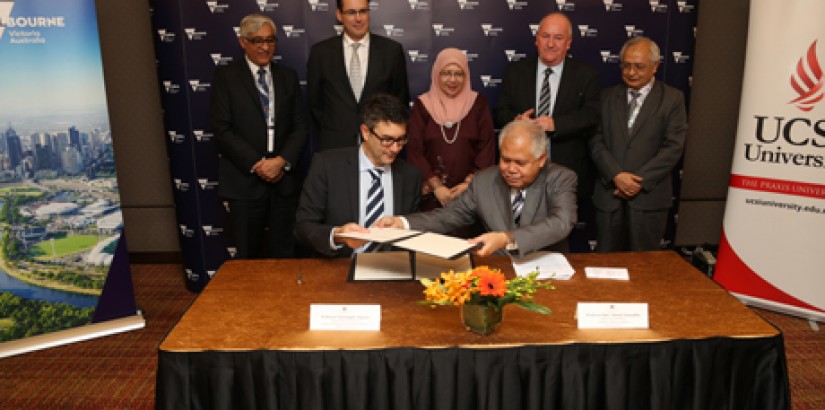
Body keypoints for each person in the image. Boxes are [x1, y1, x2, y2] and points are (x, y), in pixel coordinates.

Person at [376, 120, 577, 257]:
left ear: (541, 159)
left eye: (520, 163)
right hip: (497, 272)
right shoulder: (484, 180)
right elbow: (448, 216)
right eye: (505, 160)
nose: (511, 169)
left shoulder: (560, 178)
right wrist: (402, 222)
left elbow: (561, 223)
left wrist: (507, 238)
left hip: (547, 271)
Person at [211, 13, 307, 259]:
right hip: (244, 181)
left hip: (283, 181)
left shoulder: (288, 77)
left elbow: (300, 126)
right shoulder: (226, 78)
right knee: (247, 255)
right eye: (257, 41)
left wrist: (281, 161)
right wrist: (258, 164)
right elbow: (222, 129)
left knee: (284, 252)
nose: (265, 47)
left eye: (271, 40)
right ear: (243, 42)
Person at [493, 11, 599, 218]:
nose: (550, 44)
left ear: (568, 43)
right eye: (545, 36)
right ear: (536, 39)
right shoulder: (516, 71)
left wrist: (555, 124)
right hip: (522, 171)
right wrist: (517, 122)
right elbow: (500, 111)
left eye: (558, 38)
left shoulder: (586, 75)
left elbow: (591, 115)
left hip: (566, 168)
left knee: (560, 230)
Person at [588, 36, 687, 251]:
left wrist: (636, 182)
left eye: (639, 67)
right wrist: (616, 175)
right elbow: (596, 140)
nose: (631, 72)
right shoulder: (606, 97)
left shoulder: (672, 99)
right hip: (609, 197)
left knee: (644, 269)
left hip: (649, 200)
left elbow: (673, 147)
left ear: (655, 66)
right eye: (626, 66)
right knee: (605, 268)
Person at [294, 93, 422, 257]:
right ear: (366, 132)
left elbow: (413, 232)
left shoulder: (410, 176)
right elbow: (303, 227)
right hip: (339, 269)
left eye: (401, 140)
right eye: (387, 140)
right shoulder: (327, 166)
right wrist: (338, 235)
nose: (395, 148)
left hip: (391, 269)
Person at [307, 0, 410, 151]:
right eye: (351, 12)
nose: (358, 18)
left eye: (363, 11)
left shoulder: (391, 51)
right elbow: (315, 103)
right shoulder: (320, 53)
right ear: (339, 15)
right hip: (335, 146)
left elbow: (400, 100)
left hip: (380, 147)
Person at [406, 48, 496, 214]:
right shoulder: (423, 105)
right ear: (436, 74)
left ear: (466, 75)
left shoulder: (478, 104)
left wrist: (468, 185)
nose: (453, 80)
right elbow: (414, 150)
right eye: (446, 73)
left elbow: (487, 148)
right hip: (431, 196)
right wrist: (437, 187)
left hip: (470, 197)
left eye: (459, 74)